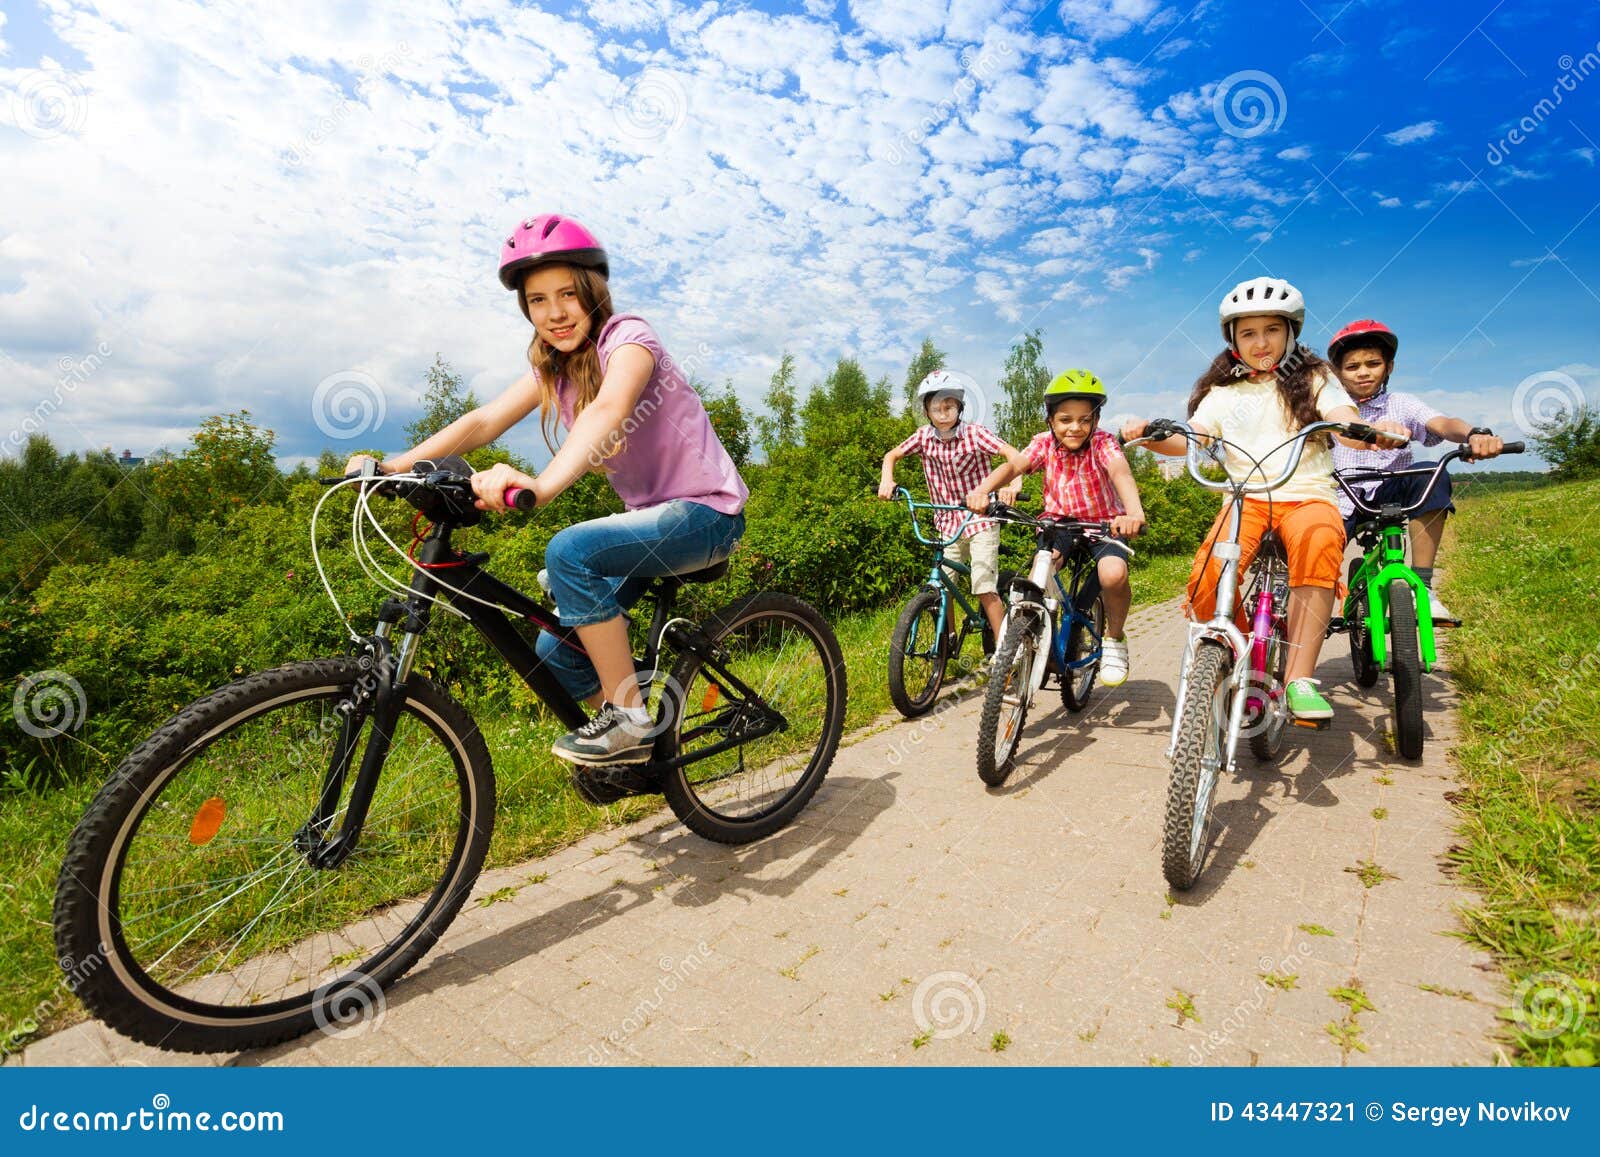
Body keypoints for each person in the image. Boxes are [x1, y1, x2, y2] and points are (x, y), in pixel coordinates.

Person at [345, 213, 748, 787]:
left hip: (707, 514)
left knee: (569, 552)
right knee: (553, 650)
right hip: (648, 521)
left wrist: (542, 485)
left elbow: (609, 410)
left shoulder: (630, 340)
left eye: (567, 295)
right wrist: (392, 467)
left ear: (594, 292)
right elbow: (483, 420)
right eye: (538, 300)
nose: (554, 313)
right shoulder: (553, 369)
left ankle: (630, 720)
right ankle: (641, 708)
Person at [1121, 278, 1406, 722]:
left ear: (1291, 333)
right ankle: (1236, 651)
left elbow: (1338, 412)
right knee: (1206, 580)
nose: (1260, 342)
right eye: (1248, 333)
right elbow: (1193, 440)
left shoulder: (1315, 378)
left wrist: (1357, 426)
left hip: (1306, 495)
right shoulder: (1221, 394)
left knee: (1319, 546)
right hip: (1245, 498)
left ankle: (1299, 679)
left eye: (1272, 330)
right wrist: (1152, 435)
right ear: (1232, 339)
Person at [967, 370, 1145, 687]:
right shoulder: (1044, 443)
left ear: (1096, 420)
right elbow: (1014, 466)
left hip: (1105, 524)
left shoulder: (1104, 444)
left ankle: (1115, 639)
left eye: (1084, 419)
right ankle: (1032, 636)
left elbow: (1121, 474)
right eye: (1065, 419)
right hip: (1059, 523)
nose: (1074, 427)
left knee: (1113, 575)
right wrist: (982, 490)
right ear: (1051, 419)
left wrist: (1134, 513)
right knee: (1042, 566)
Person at [1326, 319, 1504, 625]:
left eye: (1373, 363)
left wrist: (1475, 434)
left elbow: (1443, 424)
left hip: (1391, 490)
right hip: (1341, 496)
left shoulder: (1401, 403)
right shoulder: (1331, 409)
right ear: (1339, 373)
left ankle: (1423, 586)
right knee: (1314, 546)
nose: (1364, 372)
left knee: (1430, 471)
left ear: (1389, 367)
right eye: (1352, 366)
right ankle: (1306, 613)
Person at [879, 371, 1022, 652]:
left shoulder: (974, 434)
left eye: (949, 407)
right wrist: (887, 479)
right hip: (946, 521)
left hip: (980, 519)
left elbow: (1012, 455)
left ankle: (1007, 652)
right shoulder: (923, 437)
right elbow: (891, 455)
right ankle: (948, 643)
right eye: (936, 409)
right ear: (926, 411)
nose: (943, 414)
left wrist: (1013, 484)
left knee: (983, 587)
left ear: (959, 407)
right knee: (942, 586)